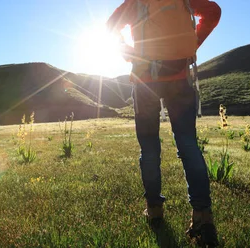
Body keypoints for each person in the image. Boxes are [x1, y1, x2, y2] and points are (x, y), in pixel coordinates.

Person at [106, 0, 221, 246]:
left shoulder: (136, 2)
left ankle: (155, 210)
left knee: (149, 149)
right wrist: (193, 44)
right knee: (188, 145)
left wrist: (128, 52)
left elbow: (110, 26)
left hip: (144, 80)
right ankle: (203, 215)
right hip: (180, 79)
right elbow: (213, 12)